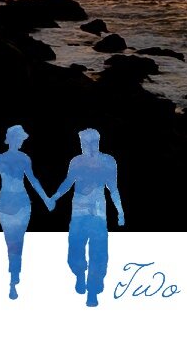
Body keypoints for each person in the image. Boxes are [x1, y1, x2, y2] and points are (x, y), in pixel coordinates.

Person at [49, 128, 124, 307]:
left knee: (98, 253)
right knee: (75, 250)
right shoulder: (76, 162)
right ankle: (80, 274)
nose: (83, 146)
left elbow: (113, 188)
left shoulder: (108, 162)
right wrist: (55, 197)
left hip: (98, 215)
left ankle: (92, 291)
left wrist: (120, 211)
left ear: (95, 142)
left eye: (85, 143)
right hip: (78, 213)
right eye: (81, 143)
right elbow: (68, 182)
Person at [0, 125, 53, 300]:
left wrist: (46, 199)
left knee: (17, 240)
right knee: (11, 240)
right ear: (13, 139)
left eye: (22, 139)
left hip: (21, 204)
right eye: (20, 138)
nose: (22, 141)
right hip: (7, 204)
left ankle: (14, 275)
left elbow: (33, 180)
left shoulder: (24, 158)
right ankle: (13, 272)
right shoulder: (0, 159)